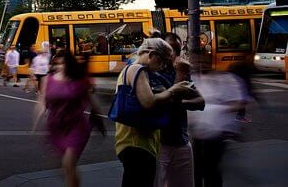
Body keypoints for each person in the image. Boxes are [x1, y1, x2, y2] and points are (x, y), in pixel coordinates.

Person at [114, 38, 196, 187]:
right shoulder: (137, 69)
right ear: (151, 54)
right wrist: (174, 90)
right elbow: (148, 101)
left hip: (133, 143)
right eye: (163, 60)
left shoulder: (131, 69)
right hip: (138, 142)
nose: (163, 65)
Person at [33, 49, 105, 187]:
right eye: (56, 64)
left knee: (68, 162)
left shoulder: (79, 81)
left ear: (69, 64)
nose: (59, 67)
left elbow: (91, 101)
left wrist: (99, 118)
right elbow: (41, 103)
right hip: (56, 127)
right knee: (67, 168)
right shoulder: (47, 80)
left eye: (63, 63)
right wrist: (36, 122)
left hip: (76, 126)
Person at [188, 63, 252, 187]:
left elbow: (241, 101)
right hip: (198, 132)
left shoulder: (226, 79)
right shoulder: (194, 78)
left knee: (211, 168)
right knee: (198, 169)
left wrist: (218, 110)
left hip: (216, 132)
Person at [153, 33, 204, 187]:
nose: (173, 54)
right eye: (170, 49)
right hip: (158, 143)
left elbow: (201, 102)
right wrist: (180, 77)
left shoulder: (181, 72)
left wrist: (178, 100)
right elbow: (159, 102)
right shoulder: (152, 73)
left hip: (181, 140)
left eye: (177, 49)